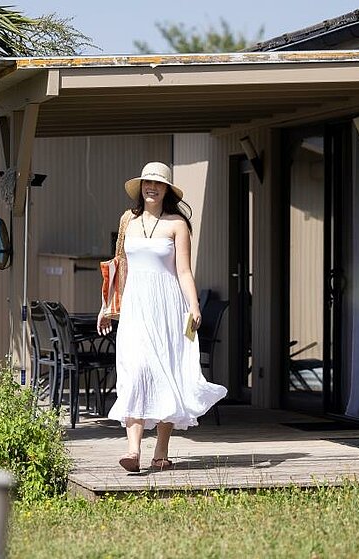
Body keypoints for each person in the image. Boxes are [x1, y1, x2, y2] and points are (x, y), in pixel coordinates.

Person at [97, 161, 227, 472]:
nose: (151, 188)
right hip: (135, 307)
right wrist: (108, 306)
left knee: (168, 372)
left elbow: (183, 270)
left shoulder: (177, 224)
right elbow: (120, 266)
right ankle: (133, 450)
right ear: (139, 187)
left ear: (167, 189)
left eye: (157, 183)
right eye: (146, 183)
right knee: (136, 370)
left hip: (168, 306)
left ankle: (161, 450)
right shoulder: (128, 220)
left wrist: (194, 306)